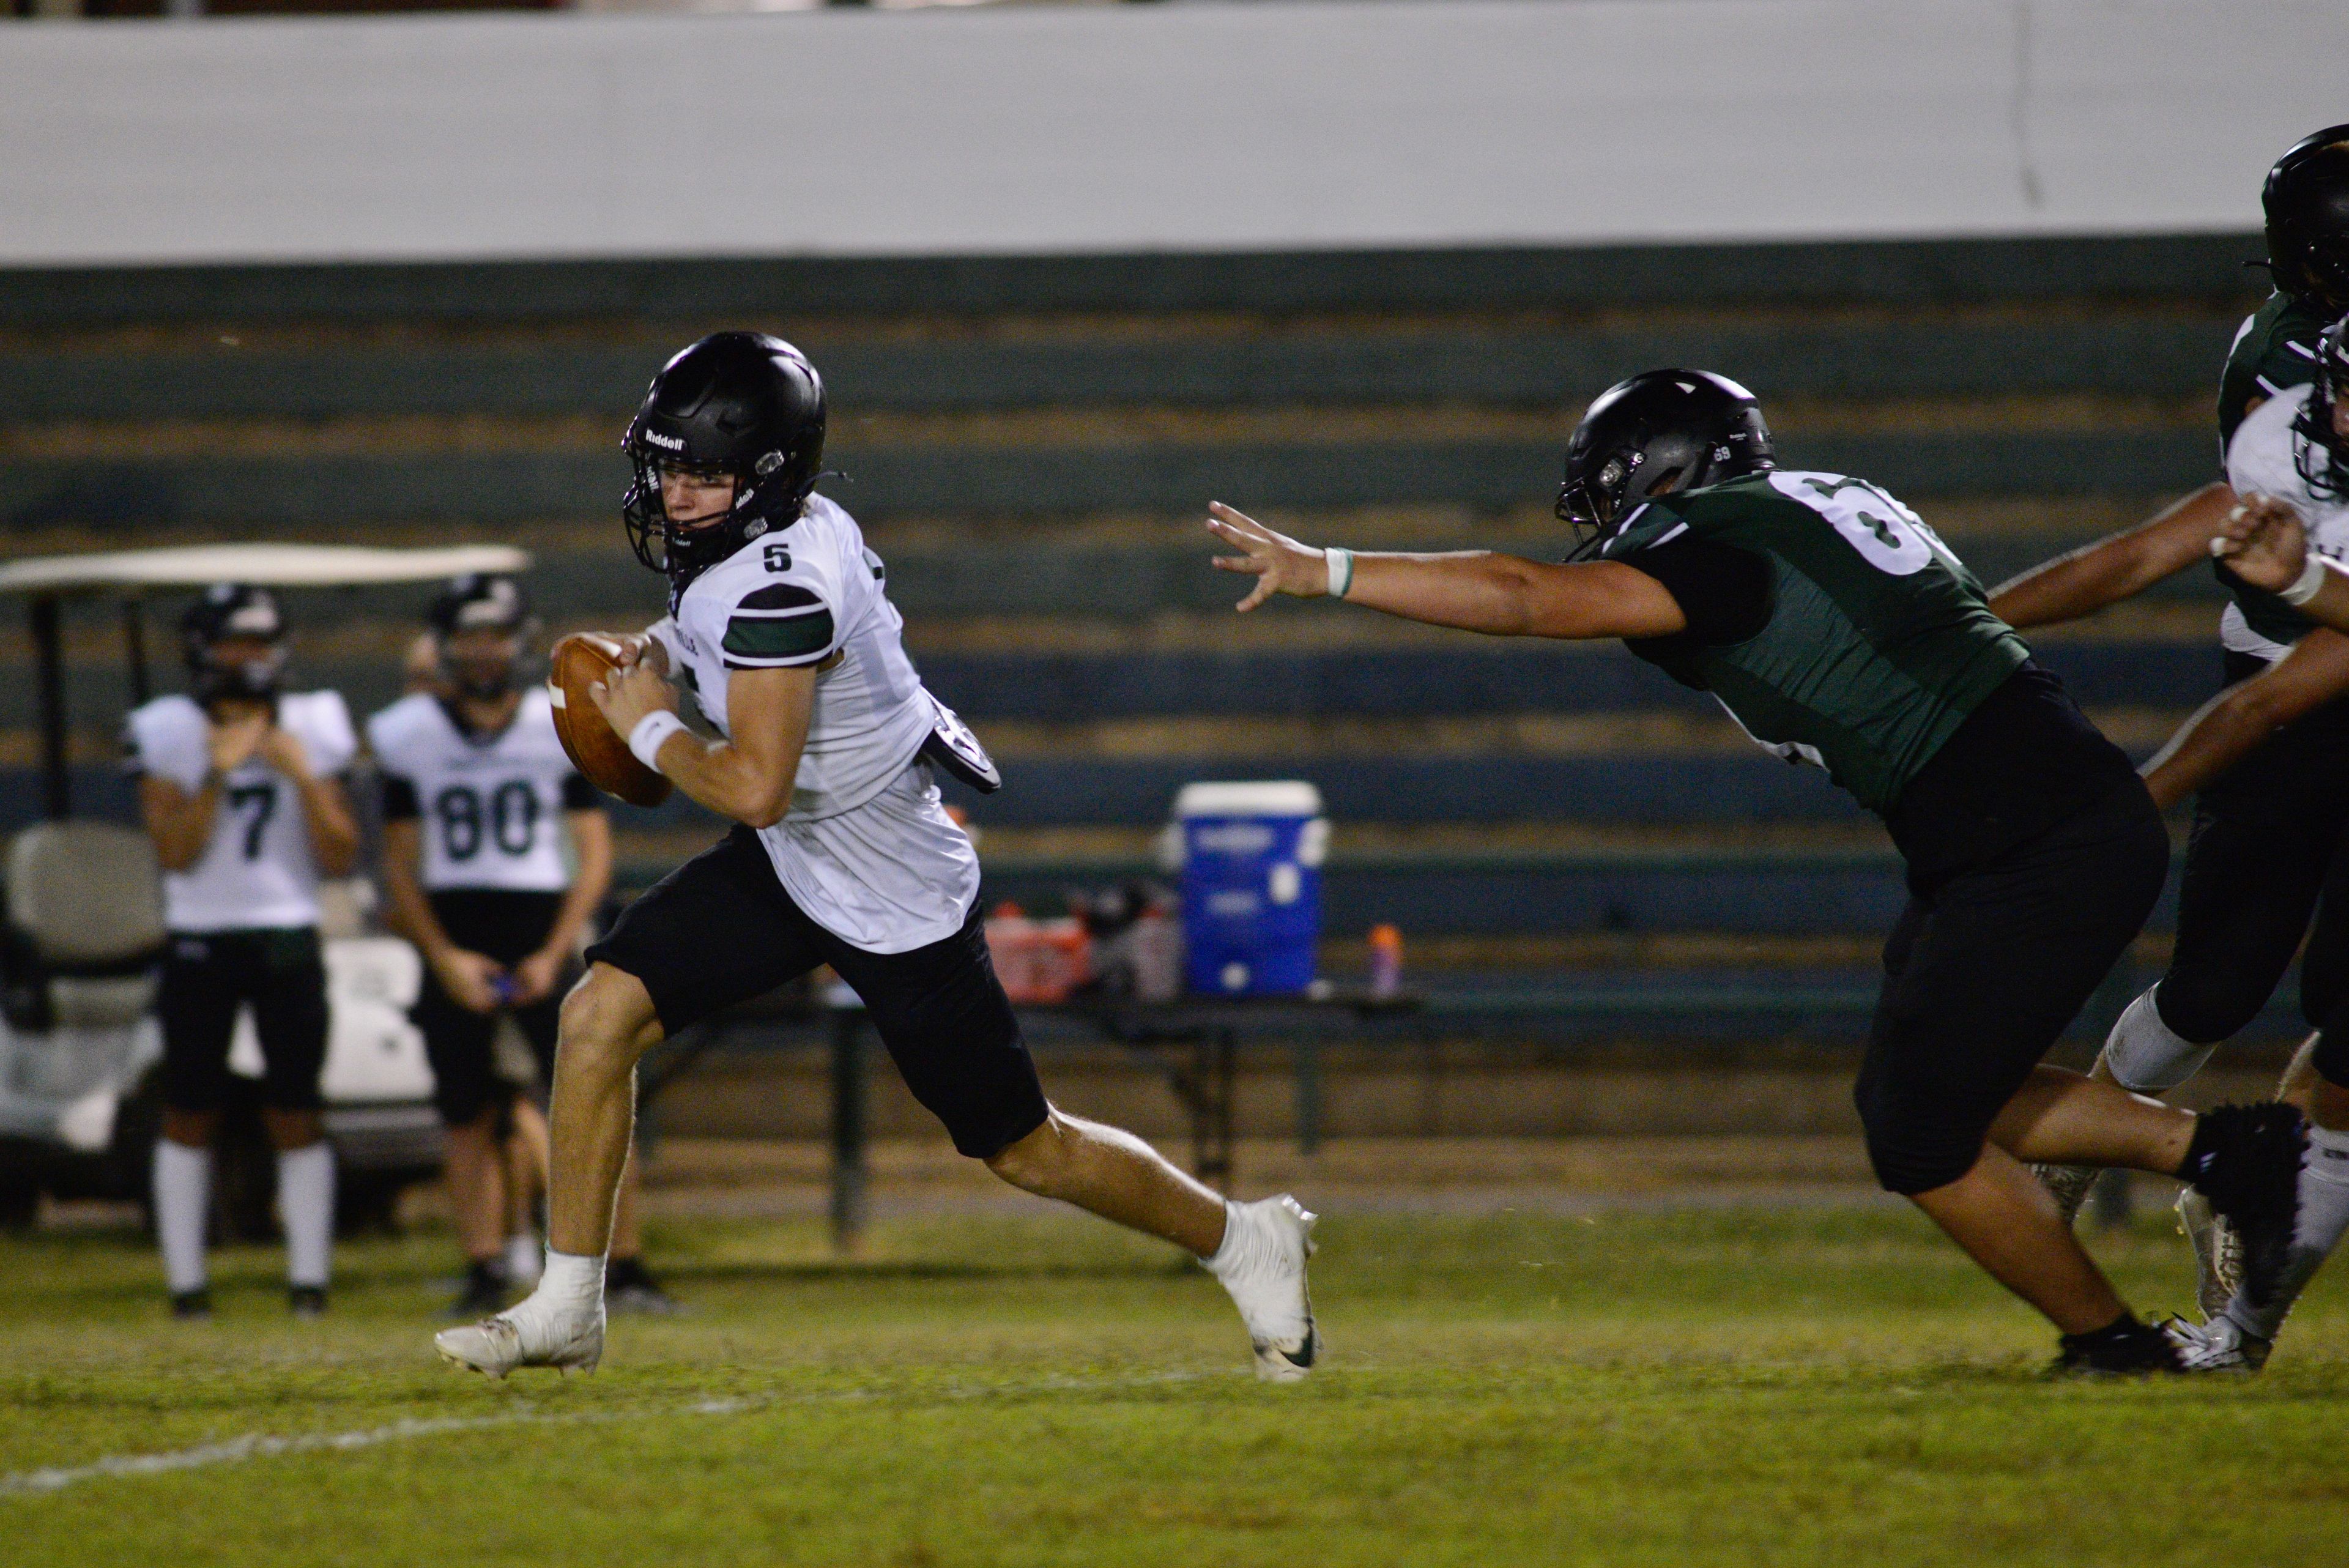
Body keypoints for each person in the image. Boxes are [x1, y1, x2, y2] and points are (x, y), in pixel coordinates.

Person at [1204, 368, 2307, 1373]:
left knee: (1921, 1133)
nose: (1601, 522)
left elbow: (1527, 596)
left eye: (1606, 491)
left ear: (1665, 467)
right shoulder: (1819, 498)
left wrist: (1331, 571)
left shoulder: (1715, 545)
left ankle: (2122, 1335)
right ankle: (2226, 1152)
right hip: (2028, 817)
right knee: (1926, 1094)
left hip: (2028, 834)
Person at [435, 332, 1318, 1380]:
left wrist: (646, 726)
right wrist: (657, 653)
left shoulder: (779, 583)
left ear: (767, 477)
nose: (675, 492)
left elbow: (754, 782)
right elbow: (728, 666)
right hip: (796, 849)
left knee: (1024, 1146)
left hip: (884, 880)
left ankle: (1243, 1239)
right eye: (666, 465)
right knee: (598, 1012)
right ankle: (570, 1303)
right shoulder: (797, 522)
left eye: (703, 473)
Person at [2000, 318, 2349, 1369]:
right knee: (2218, 988)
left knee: (2345, 1056)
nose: (2339, 415)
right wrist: (1962, 622)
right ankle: (2224, 1285)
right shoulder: (2286, 431)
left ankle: (2240, 1291)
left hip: (2304, 685)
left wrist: (2295, 588)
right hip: (2299, 701)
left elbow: (2292, 680)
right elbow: (2152, 557)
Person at [370, 575, 676, 1317]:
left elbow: (592, 851)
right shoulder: (407, 732)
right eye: (469, 635)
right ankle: (483, 1264)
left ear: (519, 637)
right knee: (465, 1110)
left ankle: (623, 1263)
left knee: (596, 1091)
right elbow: (399, 864)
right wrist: (442, 955)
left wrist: (556, 945)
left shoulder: (551, 725)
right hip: (455, 925)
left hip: (544, 920)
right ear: (443, 646)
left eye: (495, 634)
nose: (484, 651)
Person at [126, 584, 362, 1318]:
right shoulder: (166, 730)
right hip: (200, 936)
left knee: (297, 1110)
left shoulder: (316, 723)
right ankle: (187, 1286)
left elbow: (340, 856)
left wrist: (303, 777)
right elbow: (175, 855)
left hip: (287, 932)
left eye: (260, 642)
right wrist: (219, 772)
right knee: (190, 1110)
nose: (249, 658)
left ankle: (309, 1284)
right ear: (203, 650)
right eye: (235, 642)